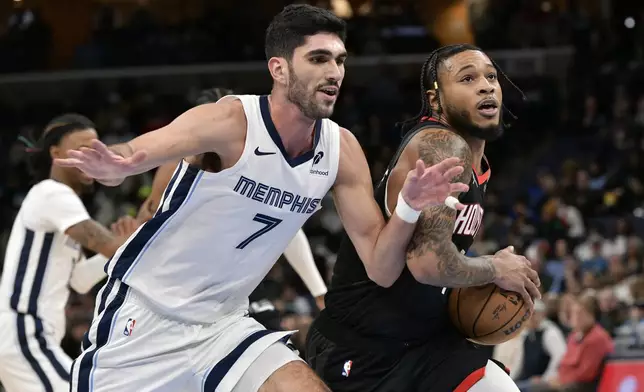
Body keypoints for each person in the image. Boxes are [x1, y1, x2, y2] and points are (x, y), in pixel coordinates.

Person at [55, 5, 471, 392]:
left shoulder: (340, 150)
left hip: (225, 326)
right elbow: (141, 150)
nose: (334, 72)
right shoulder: (232, 121)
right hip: (146, 316)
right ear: (280, 68)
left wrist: (408, 208)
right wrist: (117, 164)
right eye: (318, 59)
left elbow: (382, 267)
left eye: (340, 60)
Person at [305, 44, 541, 392]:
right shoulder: (442, 145)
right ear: (435, 100)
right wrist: (495, 268)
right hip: (363, 348)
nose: (486, 85)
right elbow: (427, 264)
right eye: (468, 78)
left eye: (491, 76)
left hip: (424, 341)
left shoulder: (478, 165)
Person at [136, 87, 328, 330]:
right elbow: (146, 224)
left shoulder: (259, 164)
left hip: (236, 287)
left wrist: (319, 290)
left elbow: (285, 226)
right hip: (177, 288)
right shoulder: (175, 165)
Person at [0, 114, 138, 392]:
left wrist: (116, 249)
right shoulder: (53, 193)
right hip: (24, 332)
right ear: (55, 153)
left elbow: (79, 281)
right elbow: (110, 245)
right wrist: (137, 237)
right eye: (83, 147)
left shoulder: (59, 203)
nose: (93, 154)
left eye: (97, 147)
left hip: (29, 335)